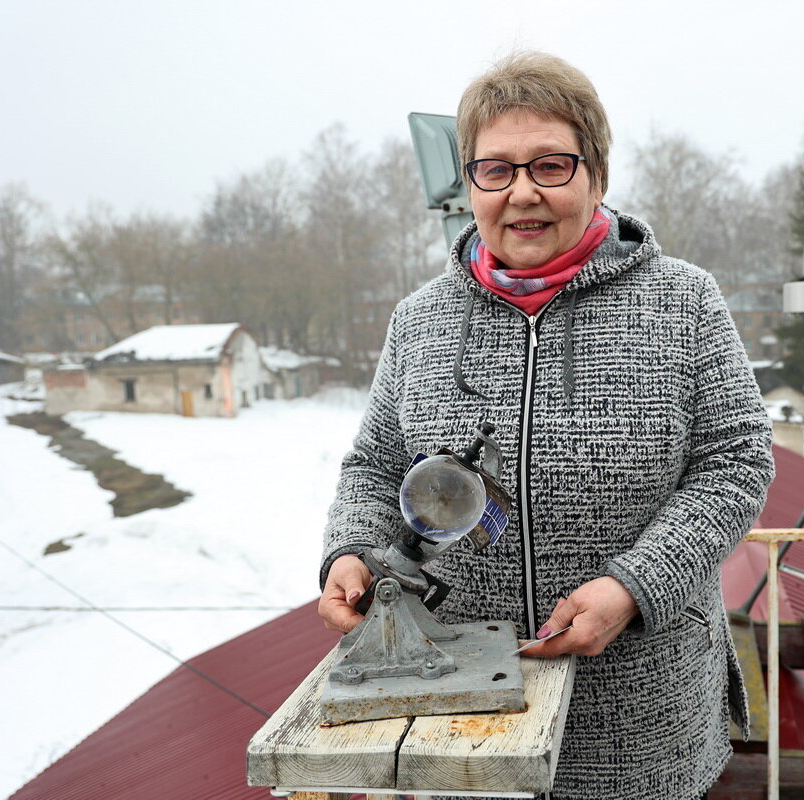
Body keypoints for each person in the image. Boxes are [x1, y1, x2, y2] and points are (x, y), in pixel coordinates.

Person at [317, 51, 774, 800]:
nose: (522, 192)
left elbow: (737, 463)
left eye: (551, 166)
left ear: (595, 173)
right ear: (470, 185)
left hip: (639, 713)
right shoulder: (420, 321)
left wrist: (634, 585)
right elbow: (373, 465)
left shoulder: (682, 302)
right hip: (457, 710)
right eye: (495, 170)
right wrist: (357, 549)